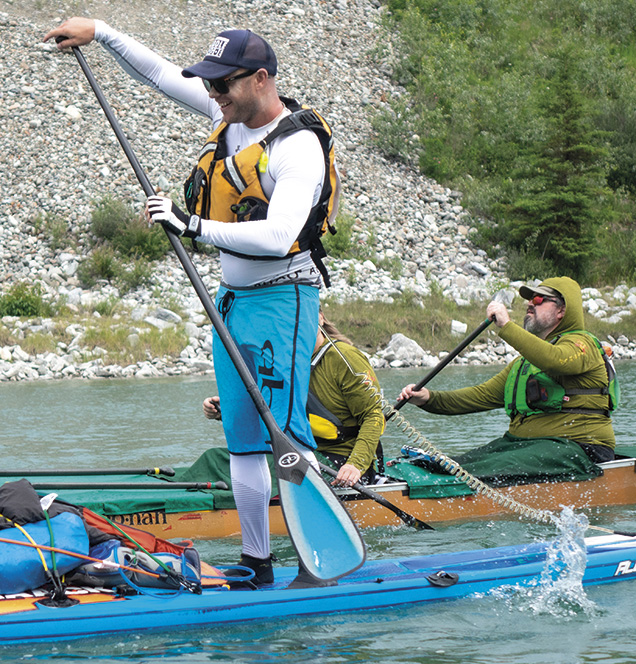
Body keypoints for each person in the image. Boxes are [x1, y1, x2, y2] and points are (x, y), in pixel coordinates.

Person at [46, 19, 341, 584]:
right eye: (209, 84)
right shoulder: (225, 117)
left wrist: (192, 225)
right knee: (245, 443)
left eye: (222, 85)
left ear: (260, 80)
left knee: (287, 437)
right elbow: (159, 74)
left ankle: (317, 563)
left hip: (284, 300)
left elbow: (280, 236)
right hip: (232, 303)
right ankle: (257, 562)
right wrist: (102, 32)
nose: (212, 95)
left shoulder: (296, 147)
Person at [398, 277, 617, 463]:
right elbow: (478, 397)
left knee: (484, 467)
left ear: (561, 310)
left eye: (539, 299)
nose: (530, 304)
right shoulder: (524, 364)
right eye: (529, 300)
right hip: (524, 447)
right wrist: (427, 399)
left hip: (581, 448)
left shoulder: (583, 345)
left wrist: (506, 326)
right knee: (460, 464)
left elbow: (555, 360)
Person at [204, 311, 386, 487]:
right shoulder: (281, 360)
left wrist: (355, 464)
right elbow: (269, 409)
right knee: (215, 458)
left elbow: (374, 416)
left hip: (341, 458)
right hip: (299, 451)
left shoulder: (345, 358)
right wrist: (225, 410)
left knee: (263, 470)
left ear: (321, 319)